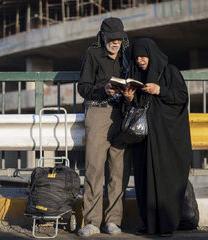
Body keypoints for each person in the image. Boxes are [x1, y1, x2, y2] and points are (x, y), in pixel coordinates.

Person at [123, 38, 192, 236]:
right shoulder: (136, 75)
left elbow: (181, 97)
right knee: (144, 182)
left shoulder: (169, 71)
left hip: (167, 140)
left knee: (165, 181)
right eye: (136, 57)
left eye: (143, 56)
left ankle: (166, 225)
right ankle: (149, 224)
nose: (140, 60)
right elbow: (135, 107)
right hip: (144, 140)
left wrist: (159, 90)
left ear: (151, 54)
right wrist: (129, 98)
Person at [77, 17, 130, 237]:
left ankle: (113, 221)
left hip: (123, 114)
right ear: (102, 36)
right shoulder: (92, 53)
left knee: (119, 172)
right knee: (94, 169)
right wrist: (103, 90)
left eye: (119, 39)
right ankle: (91, 222)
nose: (116, 43)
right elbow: (83, 87)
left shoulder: (128, 54)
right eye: (111, 39)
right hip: (98, 112)